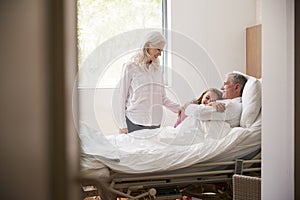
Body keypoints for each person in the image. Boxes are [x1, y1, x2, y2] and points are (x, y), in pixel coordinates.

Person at [119, 31, 180, 134]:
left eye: (162, 50)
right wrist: (122, 125)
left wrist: (181, 109)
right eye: (158, 49)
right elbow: (121, 98)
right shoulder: (130, 67)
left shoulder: (158, 69)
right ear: (147, 45)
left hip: (155, 124)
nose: (160, 54)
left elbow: (162, 98)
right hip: (134, 122)